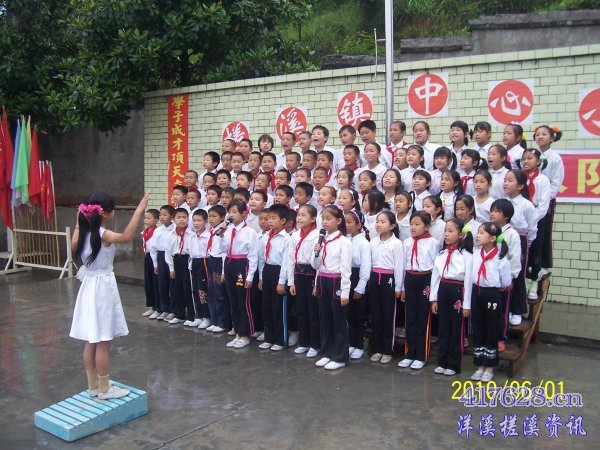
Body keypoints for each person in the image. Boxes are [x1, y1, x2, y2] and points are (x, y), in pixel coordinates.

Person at [70, 192, 151, 400]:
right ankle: (105, 389)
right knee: (103, 341)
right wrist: (139, 211)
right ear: (105, 213)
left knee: (91, 339)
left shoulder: (82, 233)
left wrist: (79, 221)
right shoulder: (103, 234)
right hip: (102, 288)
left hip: (88, 286)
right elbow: (126, 237)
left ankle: (93, 386)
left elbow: (73, 245)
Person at [430, 219, 473, 376]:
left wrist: (466, 305)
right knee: (443, 327)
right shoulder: (441, 254)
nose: (446, 234)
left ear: (460, 234)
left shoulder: (467, 256)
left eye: (450, 231)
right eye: (445, 231)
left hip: (458, 291)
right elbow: (435, 277)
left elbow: (468, 281)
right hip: (443, 289)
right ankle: (442, 361)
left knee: (456, 328)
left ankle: (454, 364)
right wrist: (434, 298)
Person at [312, 205, 352, 370]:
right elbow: (315, 265)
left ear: (339, 221)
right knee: (325, 319)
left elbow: (346, 269)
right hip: (322, 280)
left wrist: (345, 292)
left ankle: (340, 356)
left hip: (336, 281)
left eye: (329, 219)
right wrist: (316, 252)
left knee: (338, 320)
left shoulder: (344, 242)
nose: (325, 222)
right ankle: (327, 352)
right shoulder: (321, 240)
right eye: (323, 219)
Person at [470, 222, 511, 383]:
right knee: (479, 327)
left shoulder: (500, 258)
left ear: (492, 238)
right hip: (477, 292)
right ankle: (480, 364)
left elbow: (505, 282)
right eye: (478, 232)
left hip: (492, 294)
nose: (478, 235)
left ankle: (489, 367)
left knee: (491, 329)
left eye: (482, 233)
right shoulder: (475, 254)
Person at [398, 211, 439, 370]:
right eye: (411, 224)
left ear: (427, 226)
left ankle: (421, 355)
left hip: (425, 279)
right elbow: (403, 266)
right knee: (410, 317)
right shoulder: (407, 242)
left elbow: (436, 268)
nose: (413, 227)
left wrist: (433, 293)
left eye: (417, 224)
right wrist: (402, 288)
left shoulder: (433, 243)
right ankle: (409, 353)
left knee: (423, 318)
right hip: (410, 278)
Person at [219, 199, 259, 349]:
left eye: (234, 212)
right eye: (229, 212)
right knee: (233, 300)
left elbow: (253, 256)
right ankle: (237, 332)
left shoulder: (250, 232)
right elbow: (223, 249)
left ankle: (246, 333)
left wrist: (250, 276)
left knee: (243, 301)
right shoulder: (228, 230)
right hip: (229, 263)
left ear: (244, 214)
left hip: (242, 265)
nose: (231, 215)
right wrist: (221, 234)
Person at [368, 211, 404, 364]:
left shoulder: (396, 244)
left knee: (388, 315)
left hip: (389, 279)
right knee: (376, 315)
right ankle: (377, 348)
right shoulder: (373, 242)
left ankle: (388, 349)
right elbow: (369, 263)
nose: (378, 225)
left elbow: (399, 266)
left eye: (383, 222)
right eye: (377, 221)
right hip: (375, 277)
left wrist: (398, 287)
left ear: (392, 226)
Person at [504, 169, 538, 326]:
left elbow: (532, 228)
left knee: (517, 275)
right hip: (503, 238)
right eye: (505, 180)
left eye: (510, 180)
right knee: (504, 273)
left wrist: (526, 244)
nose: (506, 183)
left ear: (520, 186)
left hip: (520, 239)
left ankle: (517, 310)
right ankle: (507, 308)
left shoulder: (527, 205)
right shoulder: (502, 202)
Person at [288, 205, 321, 357]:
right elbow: (290, 259)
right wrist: (291, 281)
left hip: (312, 274)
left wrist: (317, 282)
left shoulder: (318, 235)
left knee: (313, 310)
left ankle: (315, 344)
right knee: (301, 310)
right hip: (298, 274)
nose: (299, 218)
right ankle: (304, 342)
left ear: (313, 218)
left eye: (303, 215)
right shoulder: (295, 235)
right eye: (298, 215)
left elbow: (320, 261)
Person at [258, 205, 292, 351]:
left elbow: (286, 262)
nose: (270, 221)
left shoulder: (286, 239)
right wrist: (261, 277)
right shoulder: (266, 236)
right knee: (266, 306)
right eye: (268, 218)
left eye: (273, 218)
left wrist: (281, 282)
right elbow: (261, 258)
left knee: (278, 308)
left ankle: (280, 339)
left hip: (279, 272)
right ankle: (269, 337)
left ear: (283, 221)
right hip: (267, 270)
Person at [489, 199, 521, 348]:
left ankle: (501, 337)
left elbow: (515, 258)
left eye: (497, 211)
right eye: (492, 211)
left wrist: (511, 278)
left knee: (502, 310)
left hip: (503, 280)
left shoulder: (512, 234)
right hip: (489, 278)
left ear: (506, 216)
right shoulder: (489, 231)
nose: (492, 214)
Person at [520, 148, 551, 300]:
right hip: (521, 220)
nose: (526, 161)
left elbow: (543, 205)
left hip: (537, 220)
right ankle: (524, 283)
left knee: (536, 252)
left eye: (530, 158)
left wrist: (532, 217)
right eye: (523, 158)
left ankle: (534, 284)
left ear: (538, 161)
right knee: (523, 252)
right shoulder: (520, 178)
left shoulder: (543, 180)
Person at [534, 125, 564, 279]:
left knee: (544, 231)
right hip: (532, 201)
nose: (540, 137)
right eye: (537, 134)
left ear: (552, 138)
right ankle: (533, 263)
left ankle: (544, 265)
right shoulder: (532, 155)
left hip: (546, 201)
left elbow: (556, 182)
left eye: (544, 134)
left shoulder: (555, 158)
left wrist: (545, 199)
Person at [345, 209, 371, 360]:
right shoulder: (347, 240)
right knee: (349, 313)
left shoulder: (363, 243)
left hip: (359, 278)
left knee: (359, 314)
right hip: (348, 277)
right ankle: (351, 342)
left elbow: (365, 267)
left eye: (349, 222)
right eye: (345, 222)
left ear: (359, 225)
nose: (346, 225)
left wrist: (360, 287)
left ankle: (359, 344)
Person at [164, 208, 195, 325]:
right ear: (173, 219)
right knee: (177, 289)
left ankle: (191, 315)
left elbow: (193, 252)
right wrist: (171, 268)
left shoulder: (191, 235)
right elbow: (168, 252)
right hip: (176, 260)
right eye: (179, 217)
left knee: (188, 289)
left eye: (184, 217)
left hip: (187, 261)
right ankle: (179, 314)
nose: (182, 220)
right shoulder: (170, 235)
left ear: (188, 219)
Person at [205, 205, 230, 333]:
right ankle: (214, 320)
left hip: (220, 263)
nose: (211, 219)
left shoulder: (223, 232)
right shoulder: (211, 231)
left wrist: (224, 271)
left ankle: (223, 322)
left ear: (222, 218)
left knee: (220, 293)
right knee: (211, 291)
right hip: (211, 261)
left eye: (214, 216)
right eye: (209, 216)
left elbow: (225, 252)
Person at [150, 205, 176, 321]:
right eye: (160, 214)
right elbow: (153, 248)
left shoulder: (175, 229)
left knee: (173, 284)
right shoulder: (158, 230)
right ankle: (164, 309)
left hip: (172, 257)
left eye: (165, 215)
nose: (162, 217)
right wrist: (155, 264)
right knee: (162, 284)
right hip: (161, 257)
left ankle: (173, 310)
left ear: (172, 217)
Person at [188, 209, 212, 329]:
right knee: (195, 290)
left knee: (203, 290)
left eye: (199, 220)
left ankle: (207, 317)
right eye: (194, 220)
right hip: (194, 262)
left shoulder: (208, 236)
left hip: (204, 262)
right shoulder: (191, 236)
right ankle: (199, 315)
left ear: (206, 222)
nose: (196, 223)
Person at [141, 208, 160, 318]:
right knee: (148, 283)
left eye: (149, 218)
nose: (146, 220)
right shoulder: (145, 232)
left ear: (156, 220)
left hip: (155, 257)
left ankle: (158, 307)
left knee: (155, 283)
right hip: (148, 257)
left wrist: (156, 263)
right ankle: (152, 306)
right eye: (145, 218)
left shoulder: (157, 232)